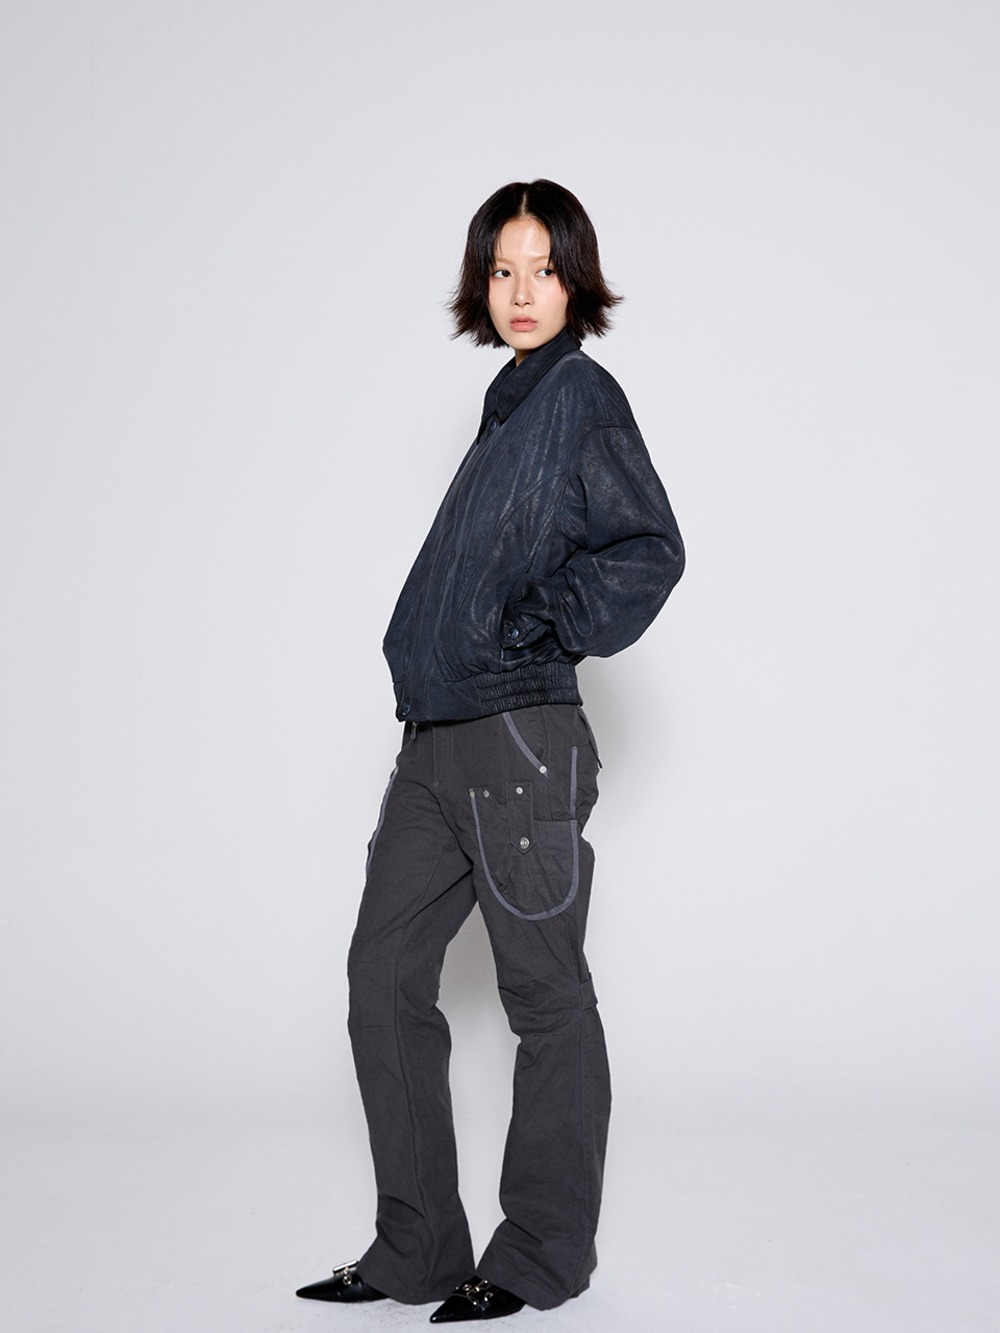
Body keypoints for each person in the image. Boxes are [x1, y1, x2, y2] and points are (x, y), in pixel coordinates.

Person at [296, 180, 684, 1323]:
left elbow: (648, 547)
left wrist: (540, 621)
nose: (521, 292)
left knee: (543, 994)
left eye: (542, 270)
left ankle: (540, 1256)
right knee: (381, 978)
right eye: (502, 270)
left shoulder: (580, 397)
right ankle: (416, 1246)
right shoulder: (509, 402)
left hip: (517, 735)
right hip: (436, 737)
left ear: (575, 280)